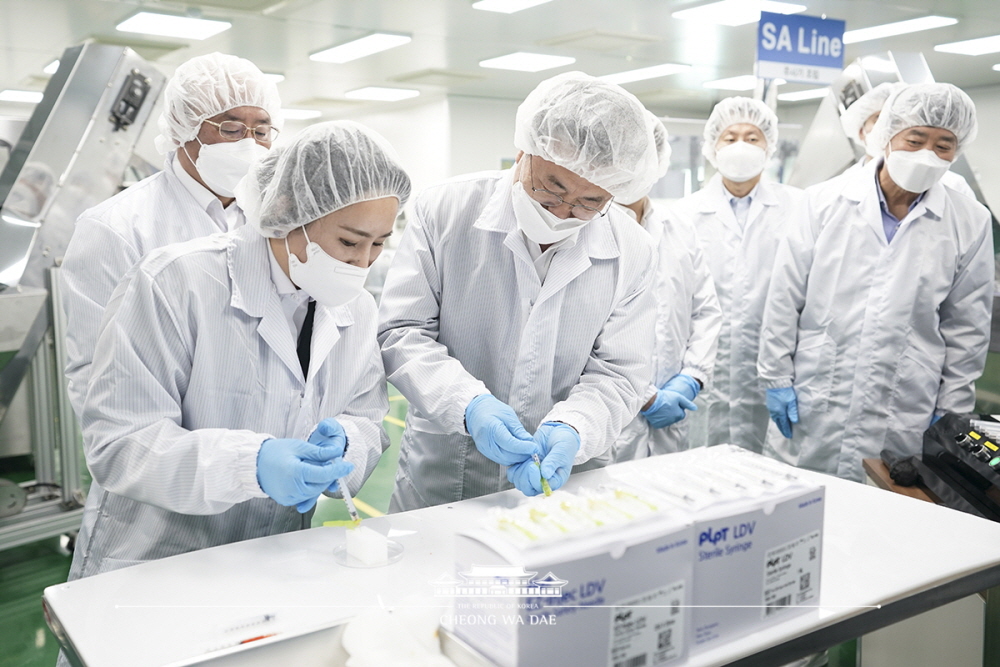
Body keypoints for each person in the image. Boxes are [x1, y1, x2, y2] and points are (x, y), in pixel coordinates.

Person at [64, 120, 409, 583]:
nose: (362, 263)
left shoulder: (358, 309)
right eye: (349, 241)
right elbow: (121, 444)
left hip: (276, 558)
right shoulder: (175, 282)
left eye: (378, 245)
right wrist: (251, 465)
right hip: (158, 564)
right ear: (289, 210)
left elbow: (366, 415)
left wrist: (349, 442)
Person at [378, 71, 662, 510]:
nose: (564, 212)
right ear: (523, 152)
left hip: (568, 486)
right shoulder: (446, 210)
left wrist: (575, 427)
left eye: (590, 203)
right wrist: (468, 405)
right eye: (552, 189)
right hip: (445, 475)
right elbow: (402, 332)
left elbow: (621, 373)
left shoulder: (633, 249)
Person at [758, 83, 992, 482]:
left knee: (883, 514)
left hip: (906, 401)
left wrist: (951, 408)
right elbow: (785, 296)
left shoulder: (969, 219)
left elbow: (967, 325)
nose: (927, 155)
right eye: (916, 139)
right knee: (802, 506)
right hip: (816, 391)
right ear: (887, 135)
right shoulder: (822, 203)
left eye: (944, 145)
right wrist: (777, 377)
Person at [61, 52, 281, 418]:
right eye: (230, 129)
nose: (249, 144)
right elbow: (96, 375)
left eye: (261, 131)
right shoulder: (116, 227)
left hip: (260, 445)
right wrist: (165, 455)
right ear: (184, 127)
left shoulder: (273, 219)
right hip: (162, 450)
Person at [669, 97, 807, 453]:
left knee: (765, 481)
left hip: (773, 374)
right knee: (700, 476)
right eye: (730, 138)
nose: (741, 146)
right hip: (700, 374)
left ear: (769, 146)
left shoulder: (799, 208)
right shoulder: (683, 213)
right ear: (712, 146)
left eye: (753, 137)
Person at [614, 114, 722, 460]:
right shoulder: (582, 230)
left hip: (672, 416)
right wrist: (643, 395)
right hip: (610, 420)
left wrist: (692, 376)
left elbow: (705, 310)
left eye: (643, 155)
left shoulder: (678, 226)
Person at [840, 81, 976, 198]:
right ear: (861, 131)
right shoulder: (840, 187)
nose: (887, 125)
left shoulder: (955, 186)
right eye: (880, 118)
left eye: (896, 120)